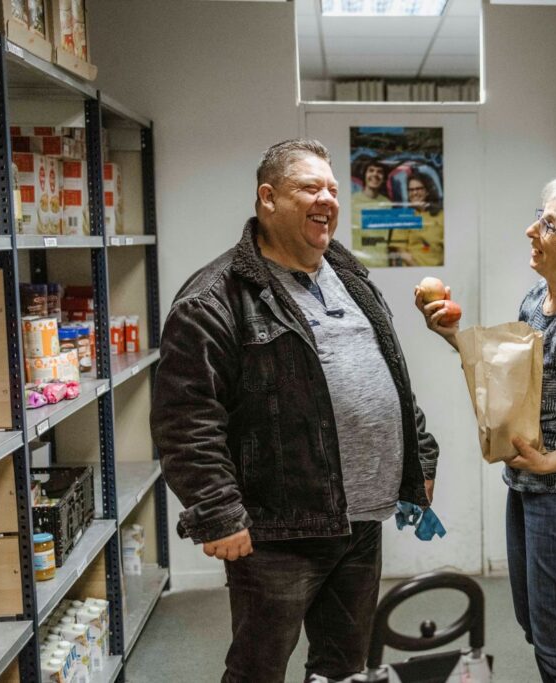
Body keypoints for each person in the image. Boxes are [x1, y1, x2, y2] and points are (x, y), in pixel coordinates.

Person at [151, 138, 439, 683]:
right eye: (309, 187)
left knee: (342, 667)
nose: (327, 198)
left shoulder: (351, 277)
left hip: (361, 520)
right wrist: (216, 511)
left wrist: (419, 460)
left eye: (332, 188)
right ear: (268, 198)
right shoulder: (215, 297)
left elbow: (394, 379)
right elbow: (185, 419)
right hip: (276, 532)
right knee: (258, 671)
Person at [415, 176, 556, 682]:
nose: (530, 231)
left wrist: (550, 461)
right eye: (540, 217)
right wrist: (453, 335)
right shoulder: (537, 299)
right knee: (537, 628)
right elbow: (511, 376)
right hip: (533, 486)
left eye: (548, 225)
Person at [390, 170, 444, 267]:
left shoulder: (441, 215)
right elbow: (401, 250)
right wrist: (419, 271)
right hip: (413, 271)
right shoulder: (404, 217)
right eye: (411, 190)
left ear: (427, 191)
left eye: (418, 189)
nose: (414, 193)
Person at [350, 156, 393, 268]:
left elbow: (390, 240)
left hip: (382, 265)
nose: (375, 174)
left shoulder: (388, 204)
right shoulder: (351, 202)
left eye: (379, 172)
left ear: (384, 178)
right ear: (365, 175)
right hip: (357, 266)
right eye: (371, 170)